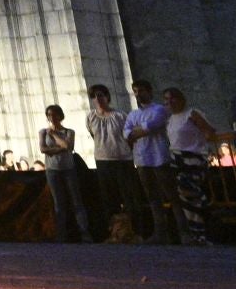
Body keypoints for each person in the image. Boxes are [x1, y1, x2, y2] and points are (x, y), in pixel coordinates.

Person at [85, 83, 146, 240]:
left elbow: (129, 138)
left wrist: (125, 152)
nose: (97, 99)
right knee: (109, 199)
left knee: (130, 198)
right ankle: (114, 233)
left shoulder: (120, 116)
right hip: (103, 162)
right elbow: (94, 135)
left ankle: (136, 232)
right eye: (94, 96)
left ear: (107, 97)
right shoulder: (90, 117)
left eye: (100, 95)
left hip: (123, 161)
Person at [125, 79, 178, 245]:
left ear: (149, 91)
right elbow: (126, 132)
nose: (138, 94)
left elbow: (151, 126)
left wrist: (137, 131)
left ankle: (183, 232)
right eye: (135, 91)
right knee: (153, 198)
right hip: (142, 160)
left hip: (160, 158)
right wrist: (138, 130)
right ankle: (161, 233)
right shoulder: (133, 114)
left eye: (141, 90)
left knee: (172, 196)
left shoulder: (159, 109)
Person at [162, 87, 218, 247]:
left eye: (172, 98)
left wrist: (205, 145)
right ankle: (197, 232)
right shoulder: (171, 120)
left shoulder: (191, 114)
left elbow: (209, 132)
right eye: (166, 99)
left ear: (180, 99)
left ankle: (202, 229)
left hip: (193, 158)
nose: (169, 102)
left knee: (188, 191)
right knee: (185, 197)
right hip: (177, 159)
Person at [39, 105, 93, 242]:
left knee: (76, 201)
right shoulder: (43, 132)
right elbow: (43, 149)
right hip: (52, 170)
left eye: (54, 114)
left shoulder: (69, 132)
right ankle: (61, 235)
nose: (52, 117)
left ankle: (84, 233)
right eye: (49, 115)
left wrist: (54, 135)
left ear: (60, 116)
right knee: (58, 202)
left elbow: (69, 146)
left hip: (68, 169)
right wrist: (60, 148)